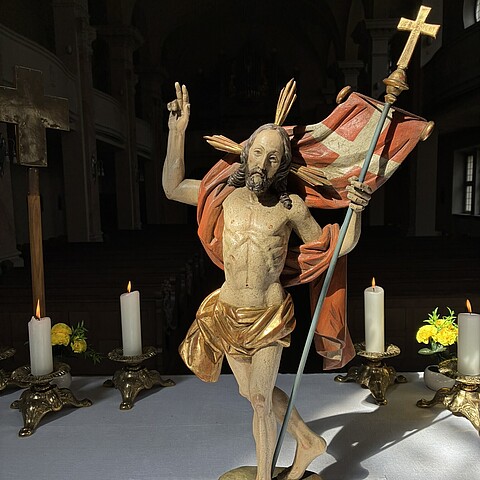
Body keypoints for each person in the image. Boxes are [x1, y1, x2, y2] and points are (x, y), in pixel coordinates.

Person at [162, 82, 371, 480]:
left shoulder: (291, 209)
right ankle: (308, 441)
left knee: (259, 399)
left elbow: (336, 247)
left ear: (282, 166)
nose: (263, 162)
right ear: (245, 153)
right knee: (250, 393)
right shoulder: (223, 196)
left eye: (273, 157)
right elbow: (172, 188)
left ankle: (263, 477)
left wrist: (357, 212)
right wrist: (177, 132)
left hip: (268, 314)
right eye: (258, 152)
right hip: (227, 312)